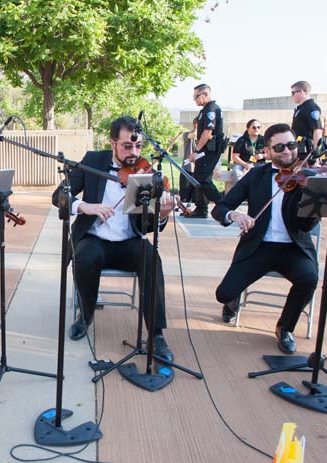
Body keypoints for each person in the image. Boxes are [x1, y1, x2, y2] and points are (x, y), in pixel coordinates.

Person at [51, 116, 175, 363]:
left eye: (138, 146)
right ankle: (85, 315)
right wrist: (85, 206)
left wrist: (161, 214)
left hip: (129, 241)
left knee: (152, 260)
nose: (134, 153)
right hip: (95, 238)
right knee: (85, 257)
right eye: (127, 146)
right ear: (112, 142)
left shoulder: (145, 172)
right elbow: (59, 196)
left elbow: (147, 225)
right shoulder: (93, 161)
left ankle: (156, 335)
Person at [212, 123, 320, 354]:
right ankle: (233, 300)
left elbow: (307, 225)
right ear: (268, 150)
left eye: (291, 145)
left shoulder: (307, 176)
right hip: (258, 246)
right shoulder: (257, 175)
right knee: (224, 294)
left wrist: (318, 201)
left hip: (293, 247)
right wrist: (235, 215)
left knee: (309, 278)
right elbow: (221, 207)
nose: (287, 152)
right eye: (279, 147)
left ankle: (285, 328)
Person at [190, 84, 225, 218]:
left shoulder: (211, 109)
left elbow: (207, 131)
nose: (194, 100)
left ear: (205, 94)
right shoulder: (204, 110)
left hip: (209, 150)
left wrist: (196, 150)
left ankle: (222, 204)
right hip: (205, 150)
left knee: (203, 178)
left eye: (196, 96)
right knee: (198, 178)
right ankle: (201, 209)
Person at [230, 119, 266, 187]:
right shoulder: (241, 140)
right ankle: (240, 192)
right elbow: (235, 156)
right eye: (254, 127)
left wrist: (263, 155)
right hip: (243, 163)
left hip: (259, 164)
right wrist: (245, 164)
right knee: (236, 170)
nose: (256, 129)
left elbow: (271, 155)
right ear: (247, 128)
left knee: (264, 171)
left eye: (259, 127)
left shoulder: (263, 139)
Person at [290, 81, 323, 153]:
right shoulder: (302, 108)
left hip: (306, 149)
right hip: (298, 147)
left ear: (302, 92)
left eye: (293, 93)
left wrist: (316, 151)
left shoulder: (311, 108)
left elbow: (317, 130)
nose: (291, 95)